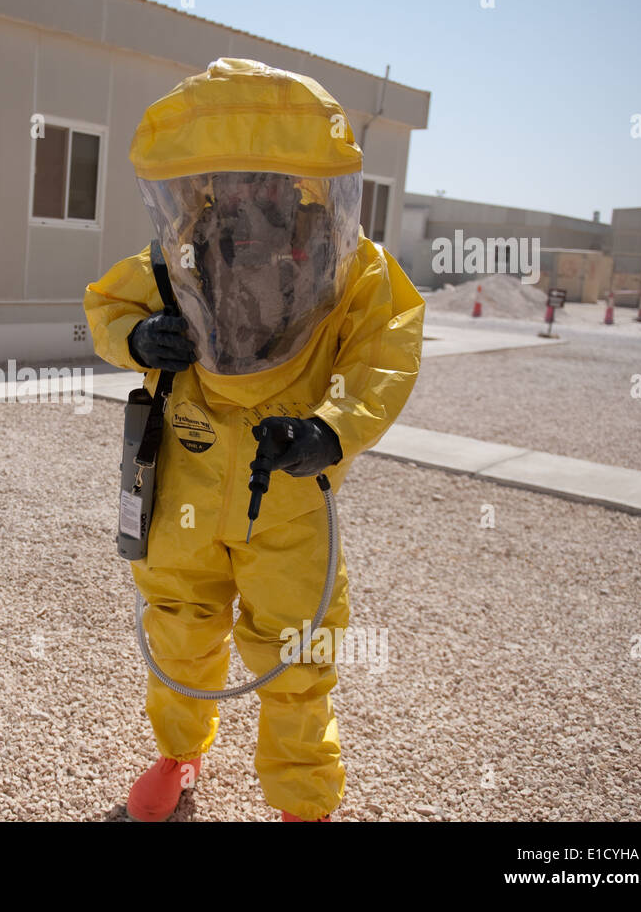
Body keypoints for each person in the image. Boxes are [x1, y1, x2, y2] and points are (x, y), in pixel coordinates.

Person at [84, 59, 424, 822]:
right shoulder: (180, 255)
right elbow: (103, 307)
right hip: (187, 482)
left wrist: (330, 430)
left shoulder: (348, 267)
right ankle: (178, 753)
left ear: (300, 181)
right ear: (206, 183)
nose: (250, 194)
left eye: (266, 177)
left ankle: (303, 803)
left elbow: (385, 347)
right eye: (233, 177)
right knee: (179, 628)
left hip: (288, 495)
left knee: (298, 655)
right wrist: (139, 334)